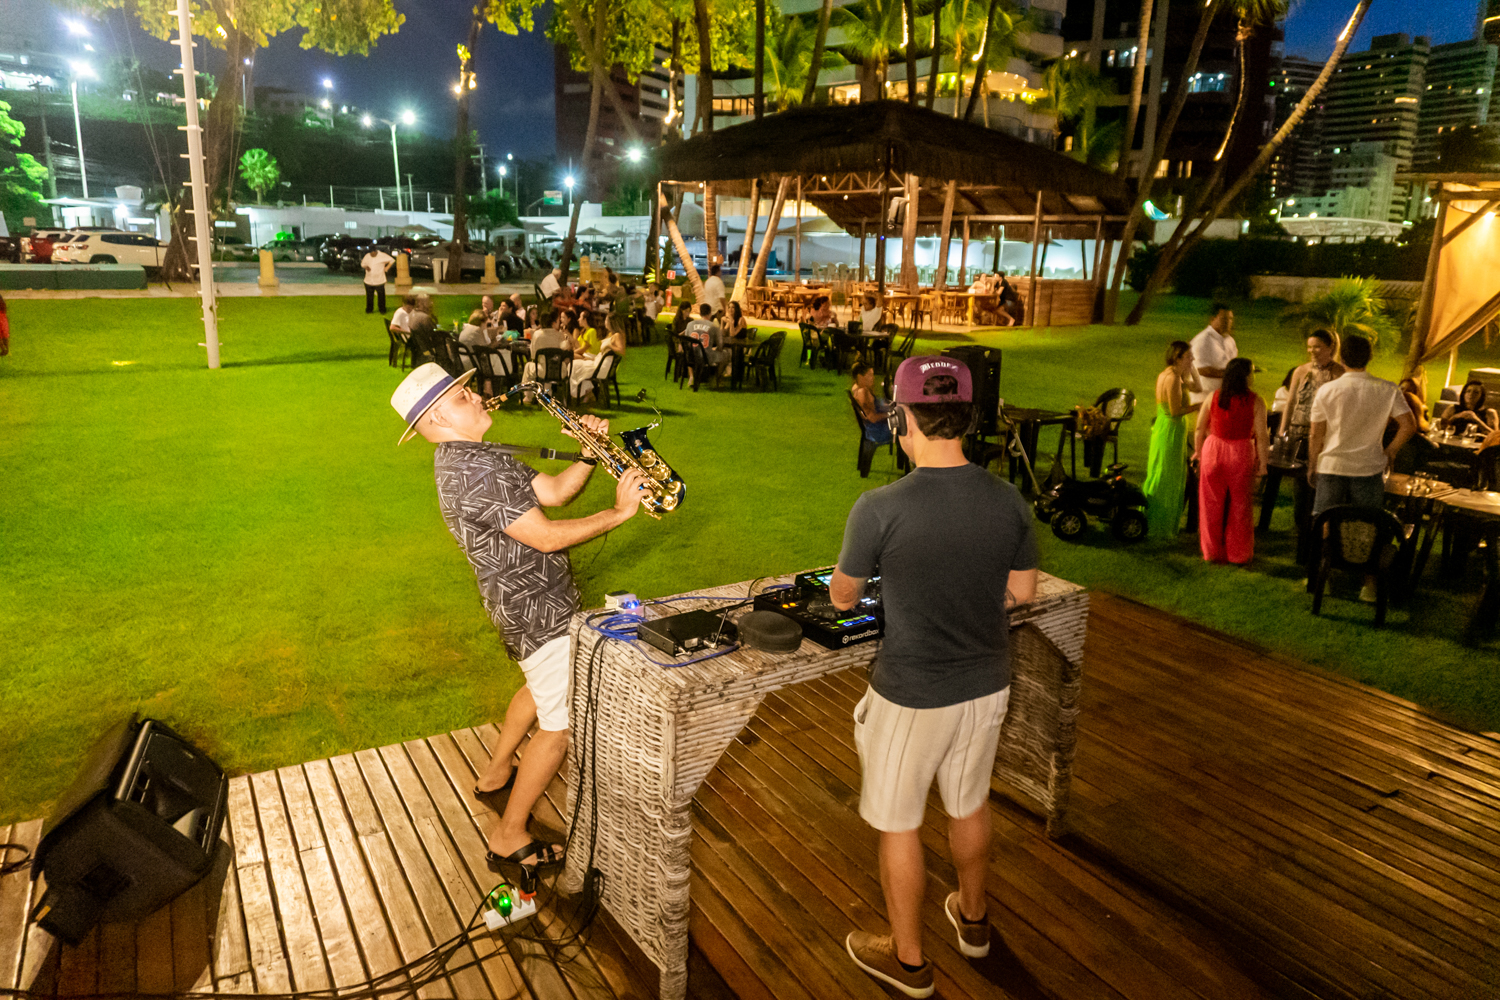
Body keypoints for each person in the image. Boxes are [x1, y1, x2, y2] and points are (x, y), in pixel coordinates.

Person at [389, 363, 648, 892]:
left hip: (529, 603)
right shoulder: (475, 472)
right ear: (439, 417)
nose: (477, 397)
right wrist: (619, 514)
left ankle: (496, 770)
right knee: (560, 725)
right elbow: (546, 537)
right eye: (462, 397)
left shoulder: (477, 455)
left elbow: (551, 492)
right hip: (537, 611)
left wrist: (586, 454)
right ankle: (508, 834)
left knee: (537, 688)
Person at [831, 356, 1039, 999]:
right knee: (969, 802)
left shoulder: (879, 506)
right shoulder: (1008, 499)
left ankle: (909, 961)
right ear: (967, 417)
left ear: (902, 418)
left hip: (912, 694)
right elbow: (1023, 591)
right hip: (988, 685)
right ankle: (973, 921)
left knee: (900, 823)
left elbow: (842, 597)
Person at [1307, 335, 1417, 598]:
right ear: (1369, 357)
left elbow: (1316, 434)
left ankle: (1323, 577)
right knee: (1370, 525)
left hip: (1332, 464)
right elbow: (1409, 424)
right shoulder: (1387, 389)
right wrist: (1390, 451)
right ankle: (1369, 584)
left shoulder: (1328, 390)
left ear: (1342, 357)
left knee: (1324, 521)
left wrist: (1312, 464)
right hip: (1368, 466)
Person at [1192, 357, 1268, 565]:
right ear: (1245, 376)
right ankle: (1238, 553)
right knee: (1240, 505)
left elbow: (1199, 428)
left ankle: (1211, 551)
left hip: (1213, 449)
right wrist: (1263, 463)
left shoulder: (1214, 397)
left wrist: (1198, 452)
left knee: (1210, 503)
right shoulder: (1256, 401)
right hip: (1240, 451)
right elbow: (1262, 436)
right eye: (1252, 372)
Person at [1143, 341, 1202, 539]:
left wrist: (1191, 368)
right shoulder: (1174, 379)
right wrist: (1198, 406)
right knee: (1168, 474)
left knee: (1162, 470)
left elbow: (1198, 386)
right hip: (1171, 429)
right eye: (1189, 356)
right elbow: (1176, 411)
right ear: (1178, 357)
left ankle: (1154, 517)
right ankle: (1161, 523)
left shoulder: (1169, 374)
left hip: (1165, 426)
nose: (1192, 359)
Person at [1188, 303, 1237, 405]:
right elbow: (1201, 369)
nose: (1227, 322)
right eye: (1223, 319)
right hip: (1204, 396)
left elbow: (1232, 364)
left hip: (1222, 395)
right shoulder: (1203, 340)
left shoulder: (1230, 340)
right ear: (1212, 319)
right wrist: (1229, 374)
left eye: (1230, 319)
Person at [849, 361, 892, 445]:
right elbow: (872, 418)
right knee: (906, 428)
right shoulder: (862, 393)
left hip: (874, 428)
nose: (873, 378)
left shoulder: (856, 387)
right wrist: (890, 414)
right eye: (869, 375)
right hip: (876, 432)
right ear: (860, 377)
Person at [361, 244, 395, 315]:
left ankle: (382, 309)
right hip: (368, 281)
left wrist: (386, 268)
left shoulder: (382, 255)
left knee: (381, 297)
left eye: (373, 252)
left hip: (380, 280)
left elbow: (392, 260)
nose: (372, 254)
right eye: (370, 252)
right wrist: (366, 267)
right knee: (369, 296)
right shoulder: (367, 256)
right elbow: (362, 264)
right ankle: (369, 309)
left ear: (375, 251)